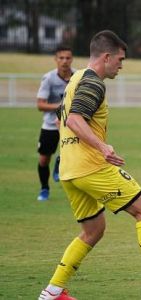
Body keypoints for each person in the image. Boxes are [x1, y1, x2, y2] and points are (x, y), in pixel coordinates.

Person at [38, 30, 141, 300]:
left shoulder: (75, 78)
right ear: (107, 57)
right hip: (91, 167)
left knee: (93, 231)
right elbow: (75, 119)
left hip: (69, 170)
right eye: (120, 59)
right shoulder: (94, 83)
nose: (122, 65)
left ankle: (53, 292)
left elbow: (62, 120)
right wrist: (102, 146)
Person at [36, 45, 74, 201]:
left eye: (68, 58)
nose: (65, 61)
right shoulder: (49, 78)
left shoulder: (77, 76)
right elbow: (40, 104)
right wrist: (60, 106)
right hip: (51, 125)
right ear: (56, 59)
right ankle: (44, 189)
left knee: (73, 152)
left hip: (71, 124)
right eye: (61, 58)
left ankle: (60, 162)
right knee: (44, 160)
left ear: (72, 59)